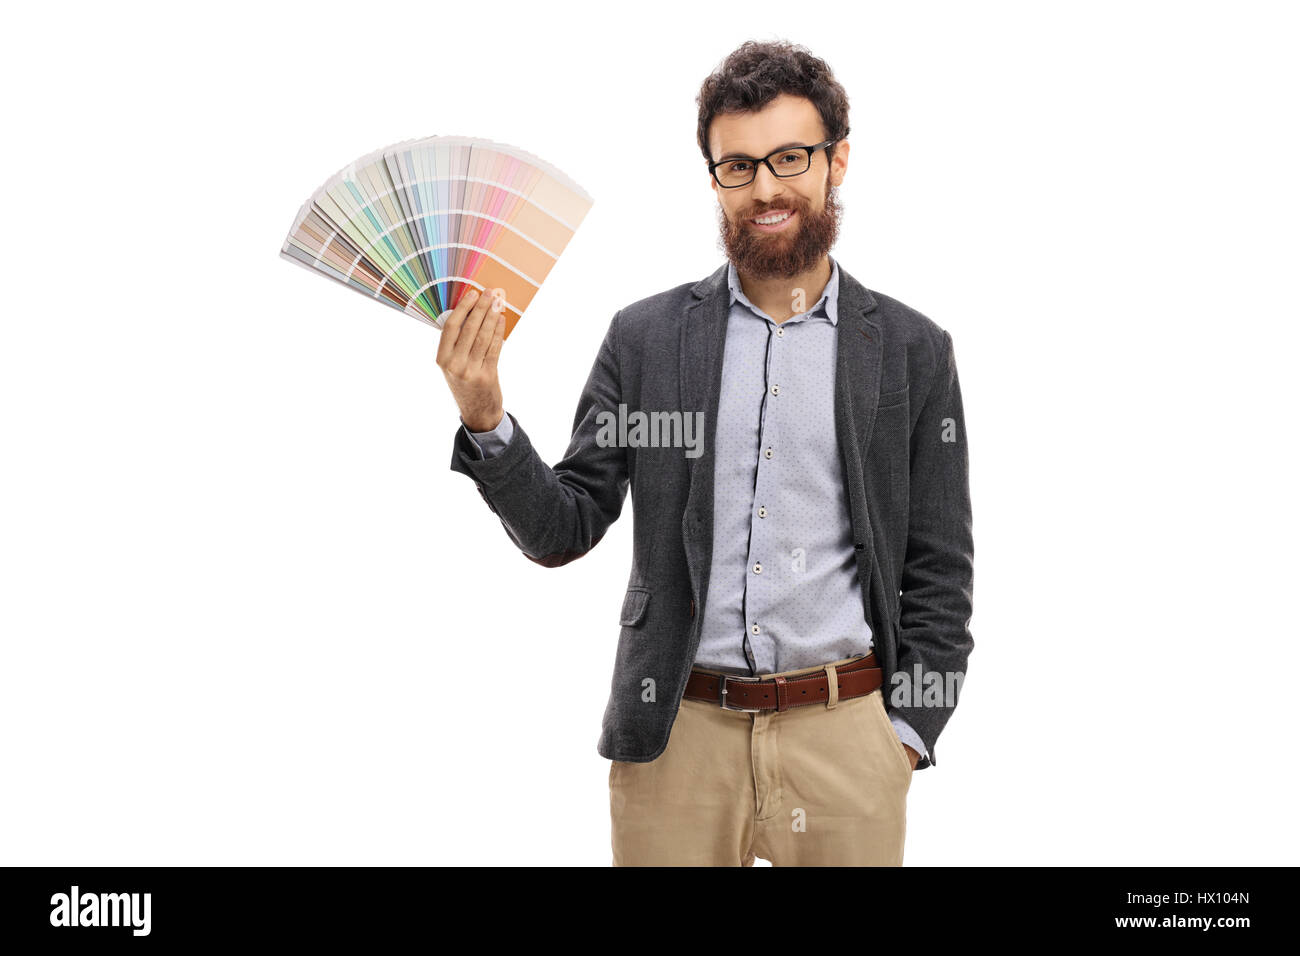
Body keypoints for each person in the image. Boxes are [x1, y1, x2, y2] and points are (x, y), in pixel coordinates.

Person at [437, 39, 973, 866]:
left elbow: (941, 568)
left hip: (848, 745)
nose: (765, 188)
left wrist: (902, 737)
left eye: (790, 158)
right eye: (738, 166)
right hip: (677, 738)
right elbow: (565, 526)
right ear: (714, 178)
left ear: (838, 162)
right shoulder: (646, 338)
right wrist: (487, 418)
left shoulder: (911, 349)